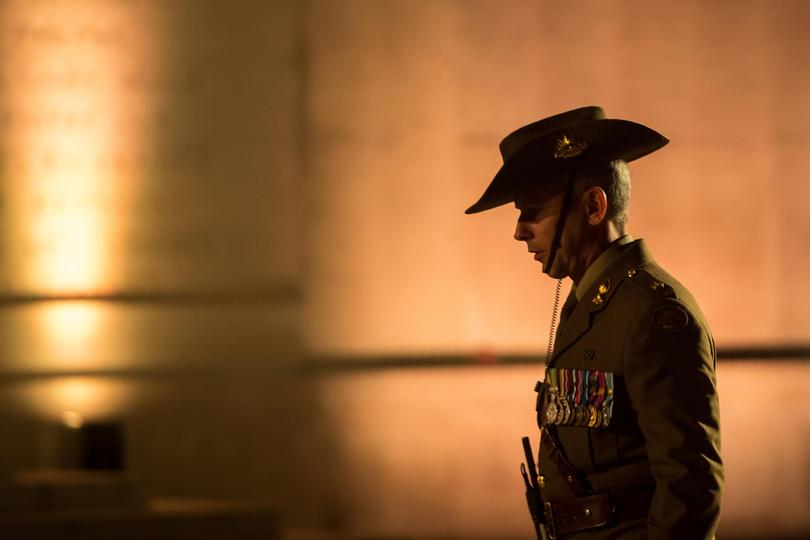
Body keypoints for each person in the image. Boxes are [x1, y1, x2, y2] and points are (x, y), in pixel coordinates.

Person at [465, 106, 723, 539]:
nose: (519, 231)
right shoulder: (589, 301)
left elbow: (690, 485)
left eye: (531, 210)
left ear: (592, 206)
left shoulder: (653, 316)